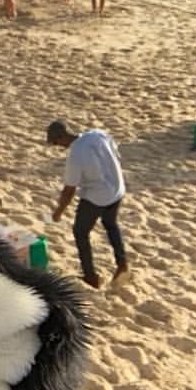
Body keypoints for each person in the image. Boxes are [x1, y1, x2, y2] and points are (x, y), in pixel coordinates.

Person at [46, 119, 129, 290]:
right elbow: (115, 153)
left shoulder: (75, 155)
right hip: (117, 187)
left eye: (55, 143)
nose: (58, 146)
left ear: (61, 137)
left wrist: (58, 212)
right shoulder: (97, 134)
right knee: (111, 224)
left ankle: (91, 277)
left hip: (97, 196)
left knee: (80, 232)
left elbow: (69, 190)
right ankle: (122, 265)